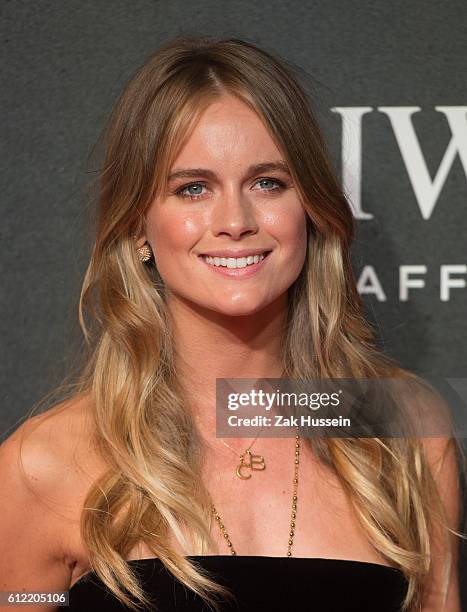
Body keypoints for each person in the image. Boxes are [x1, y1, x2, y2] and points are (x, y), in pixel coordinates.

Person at [0, 35, 464, 612]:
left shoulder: (404, 433)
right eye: (192, 188)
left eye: (267, 182)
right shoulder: (42, 466)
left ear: (311, 209)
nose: (235, 221)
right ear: (139, 227)